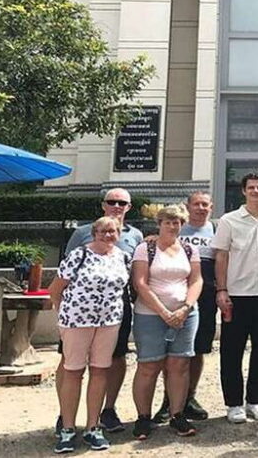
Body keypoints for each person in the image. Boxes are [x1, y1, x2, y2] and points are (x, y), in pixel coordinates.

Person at [54, 188, 143, 436]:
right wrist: (62, 314)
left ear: (129, 207)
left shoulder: (135, 235)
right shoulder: (82, 233)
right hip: (77, 315)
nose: (117, 205)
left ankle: (108, 410)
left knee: (114, 359)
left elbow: (135, 274)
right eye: (112, 201)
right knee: (70, 364)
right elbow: (62, 275)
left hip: (115, 311)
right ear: (103, 205)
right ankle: (66, 415)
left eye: (122, 202)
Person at [49, 216, 132, 454]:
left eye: (113, 231)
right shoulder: (78, 255)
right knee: (73, 372)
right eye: (104, 231)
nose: (108, 235)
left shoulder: (122, 257)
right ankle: (67, 429)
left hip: (109, 322)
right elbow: (56, 290)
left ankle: (93, 426)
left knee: (100, 371)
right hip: (77, 323)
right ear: (94, 233)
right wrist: (64, 318)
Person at [212, 171, 258, 423]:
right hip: (236, 295)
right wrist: (221, 290)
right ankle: (233, 403)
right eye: (252, 187)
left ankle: (256, 400)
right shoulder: (229, 220)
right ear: (243, 191)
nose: (257, 191)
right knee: (232, 352)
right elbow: (221, 256)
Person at [131, 205, 203, 440]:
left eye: (177, 222)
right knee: (149, 366)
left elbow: (196, 280)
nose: (173, 226)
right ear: (159, 223)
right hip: (151, 315)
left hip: (185, 315)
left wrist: (186, 308)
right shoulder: (146, 248)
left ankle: (177, 414)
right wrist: (163, 312)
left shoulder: (189, 249)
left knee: (179, 366)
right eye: (168, 222)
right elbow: (140, 283)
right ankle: (143, 417)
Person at [152, 192, 216, 423]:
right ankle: (168, 401)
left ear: (211, 207)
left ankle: (189, 398)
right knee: (170, 351)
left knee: (197, 349)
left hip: (205, 296)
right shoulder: (176, 228)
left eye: (205, 204)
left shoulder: (217, 230)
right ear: (187, 207)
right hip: (174, 296)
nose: (200, 208)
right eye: (196, 204)